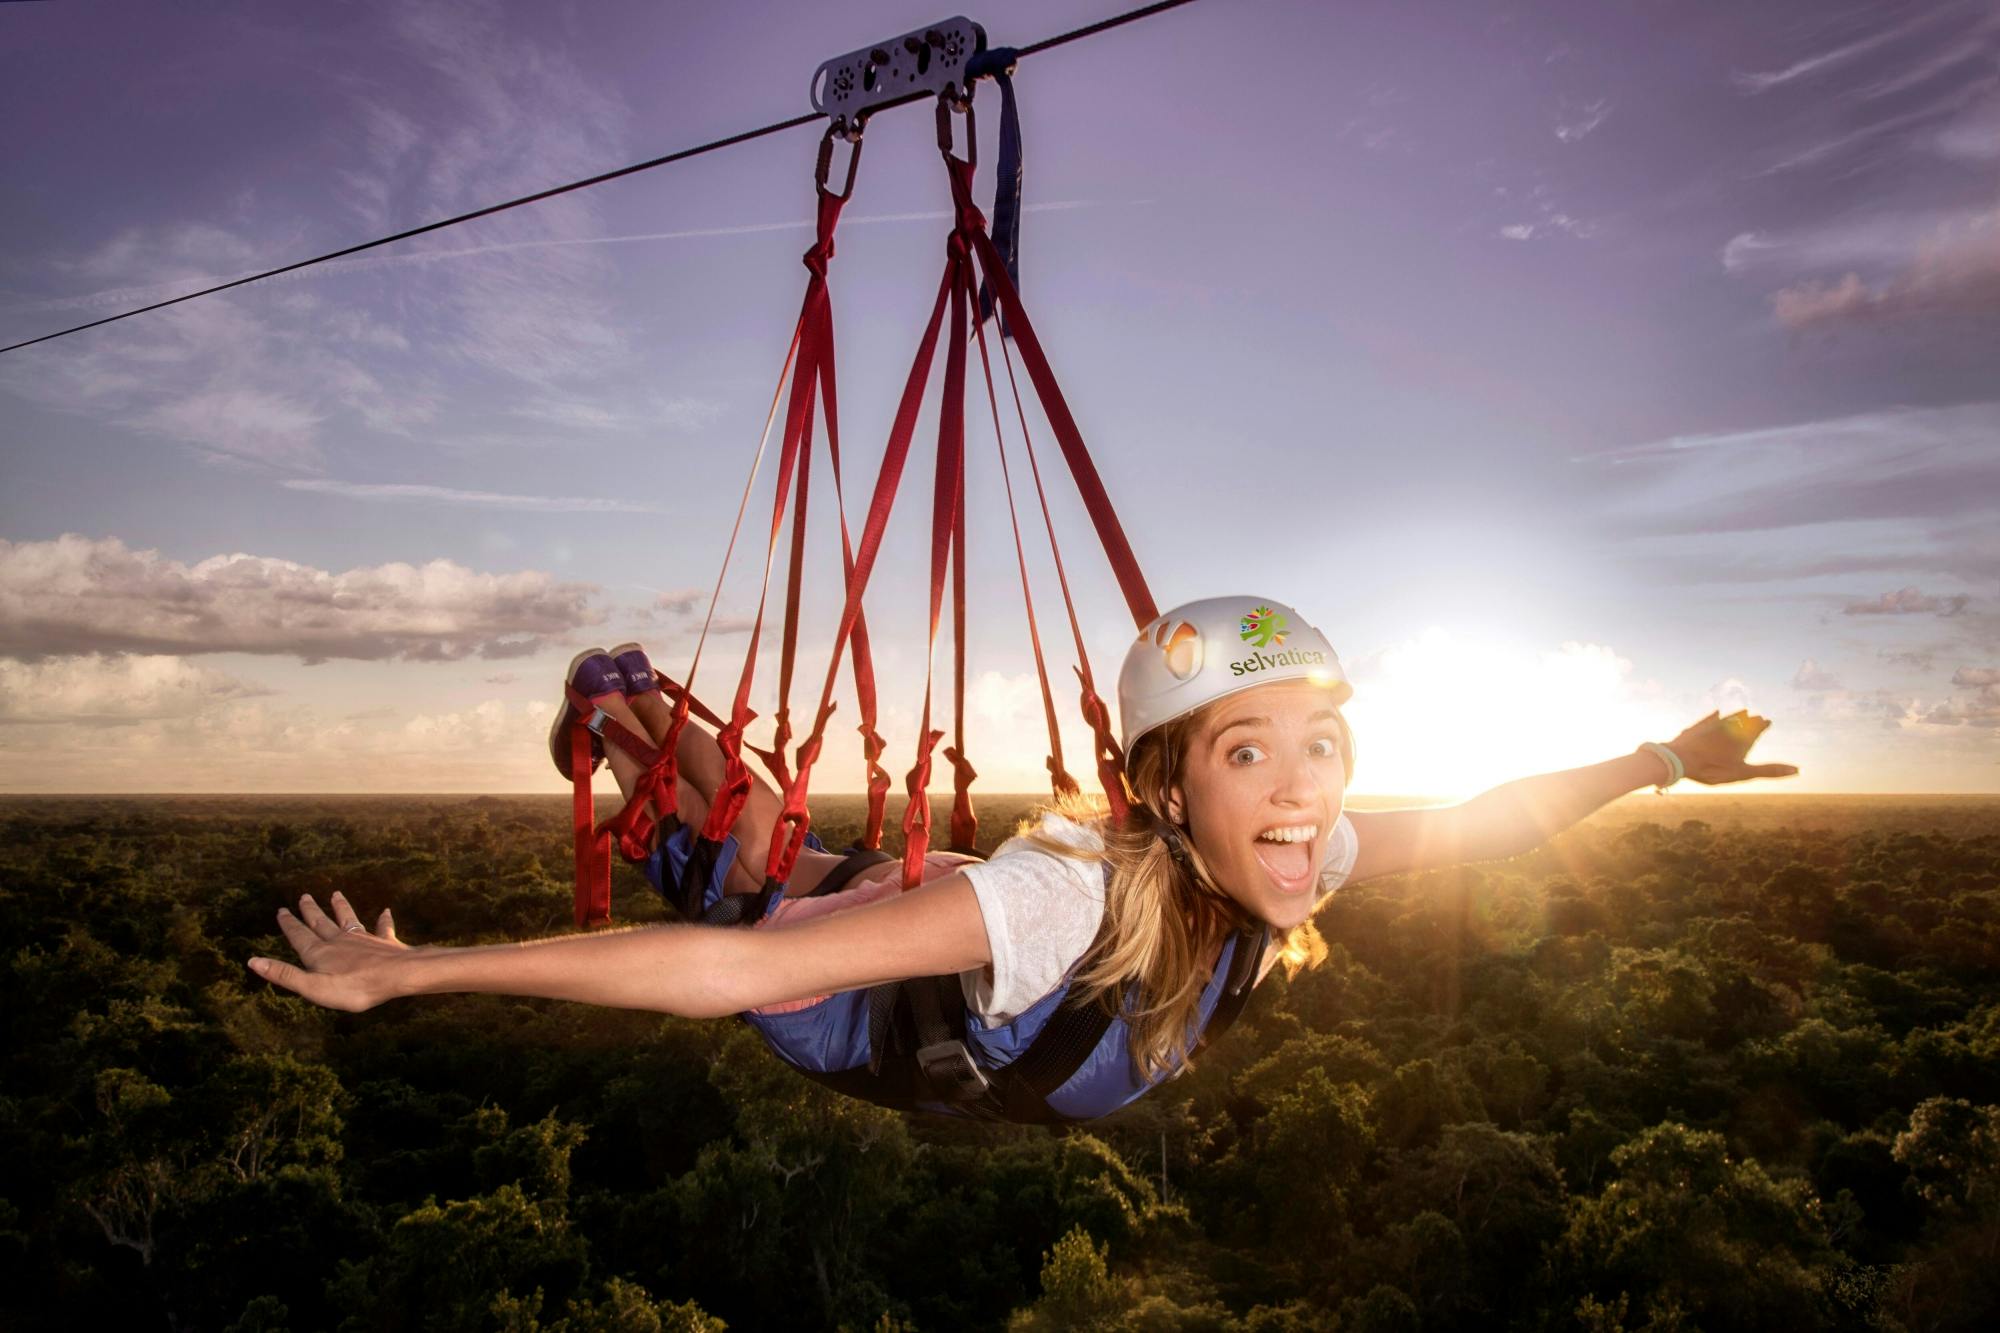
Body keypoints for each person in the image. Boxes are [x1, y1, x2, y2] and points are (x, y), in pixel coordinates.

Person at [247, 596, 1797, 1119]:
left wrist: (1662, 760)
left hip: (932, 955)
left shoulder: (1300, 860)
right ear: (1172, 797)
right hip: (849, 1006)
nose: (1301, 789)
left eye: (1315, 745)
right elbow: (736, 973)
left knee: (810, 849)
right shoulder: (1065, 898)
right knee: (746, 876)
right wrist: (424, 970)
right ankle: (625, 721)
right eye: (1245, 750)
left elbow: (1486, 822)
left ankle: (642, 719)